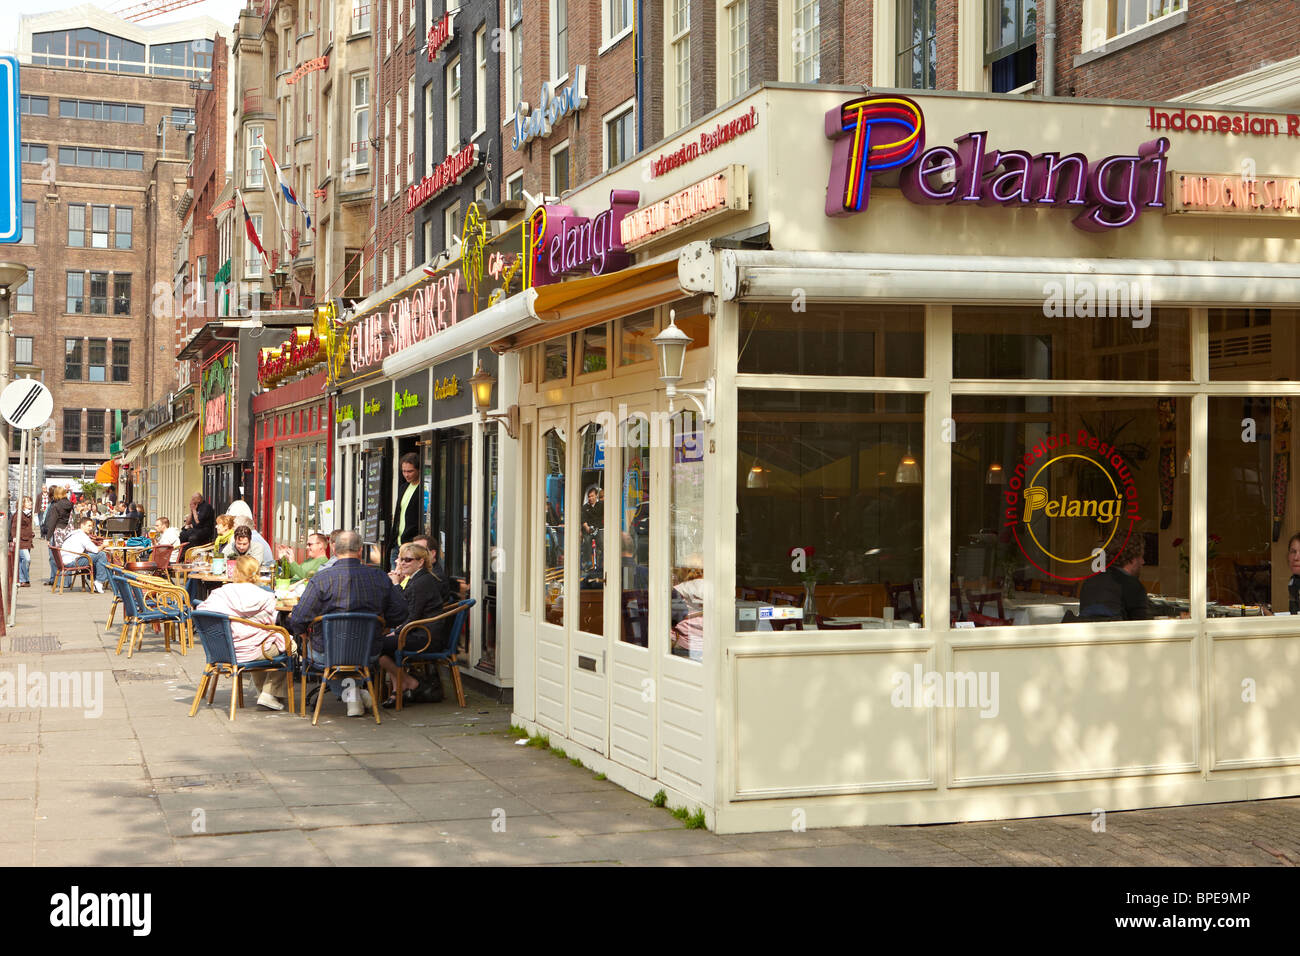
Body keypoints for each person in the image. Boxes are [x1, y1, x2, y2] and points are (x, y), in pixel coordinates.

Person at [289, 530, 410, 716]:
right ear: (360, 550)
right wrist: (384, 626)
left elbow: (298, 618)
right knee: (342, 655)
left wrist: (303, 632)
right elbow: (401, 612)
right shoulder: (379, 578)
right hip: (369, 651)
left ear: (334, 549)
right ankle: (354, 693)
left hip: (327, 653)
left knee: (328, 655)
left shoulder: (321, 579)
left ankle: (352, 694)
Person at [198, 555, 294, 710]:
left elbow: (201, 613)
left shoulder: (219, 593)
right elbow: (271, 622)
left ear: (236, 571)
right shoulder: (265, 596)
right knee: (288, 643)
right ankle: (269, 693)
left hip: (223, 651)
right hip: (252, 650)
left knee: (262, 640)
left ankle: (263, 691)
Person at [377, 543, 449, 707]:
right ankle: (399, 687)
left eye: (408, 560)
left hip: (426, 637)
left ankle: (409, 683)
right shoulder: (417, 579)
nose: (402, 563)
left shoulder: (421, 582)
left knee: (377, 645)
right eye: (401, 559)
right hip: (418, 632)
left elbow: (408, 613)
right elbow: (407, 609)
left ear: (421, 562)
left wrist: (396, 632)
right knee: (382, 645)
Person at [1077, 538, 1153, 622]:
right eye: (1141, 557)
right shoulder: (1133, 585)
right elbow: (1144, 626)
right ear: (1132, 559)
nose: (1143, 561)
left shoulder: (1089, 583)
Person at [387, 452, 422, 569]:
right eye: (404, 471)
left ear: (418, 470)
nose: (406, 475)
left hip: (412, 544)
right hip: (398, 543)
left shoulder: (423, 489)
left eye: (410, 471)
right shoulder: (403, 487)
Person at [59, 517, 110, 593]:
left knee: (92, 556)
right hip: (72, 562)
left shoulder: (74, 533)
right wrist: (103, 546)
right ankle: (99, 581)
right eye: (88, 526)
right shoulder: (83, 536)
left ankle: (92, 580)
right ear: (82, 525)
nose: (90, 528)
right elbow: (95, 550)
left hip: (64, 560)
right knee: (101, 555)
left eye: (91, 526)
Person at [41, 486, 73, 586]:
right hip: (67, 532)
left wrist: (48, 536)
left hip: (58, 532)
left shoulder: (56, 506)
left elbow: (53, 522)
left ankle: (58, 581)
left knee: (55, 557)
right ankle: (67, 582)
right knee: (66, 556)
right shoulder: (70, 504)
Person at [10, 497, 34, 586]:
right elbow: (13, 526)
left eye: (30, 502)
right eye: (28, 502)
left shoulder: (29, 514)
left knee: (22, 560)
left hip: (27, 540)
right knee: (27, 559)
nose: (30, 503)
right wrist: (14, 537)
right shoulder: (18, 514)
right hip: (21, 540)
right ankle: (24, 579)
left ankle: (22, 580)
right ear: (22, 504)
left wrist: (32, 533)